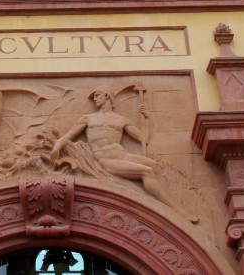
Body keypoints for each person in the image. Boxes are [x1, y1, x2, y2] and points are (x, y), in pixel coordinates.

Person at [50, 86, 197, 223]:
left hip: (122, 155)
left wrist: (148, 119)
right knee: (147, 172)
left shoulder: (121, 120)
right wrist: (57, 145)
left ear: (107, 96)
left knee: (155, 165)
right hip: (106, 159)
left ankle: (162, 198)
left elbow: (143, 139)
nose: (95, 99)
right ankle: (176, 210)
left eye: (97, 95)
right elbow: (69, 136)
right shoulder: (88, 119)